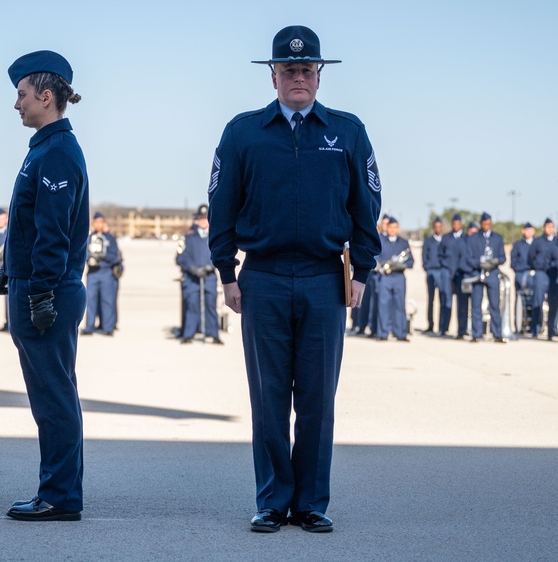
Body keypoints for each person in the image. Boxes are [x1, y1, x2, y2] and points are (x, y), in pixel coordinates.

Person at [208, 25, 381, 533]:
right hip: (261, 278)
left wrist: (363, 269)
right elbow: (221, 205)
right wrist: (226, 272)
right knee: (268, 398)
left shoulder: (347, 132)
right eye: (288, 70)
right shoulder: (242, 133)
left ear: (319, 76)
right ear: (274, 77)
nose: (298, 77)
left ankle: (310, 503)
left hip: (324, 280)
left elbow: (366, 205)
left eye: (307, 70)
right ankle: (272, 501)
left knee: (316, 400)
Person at [0, 50, 88, 522]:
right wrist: (10, 270)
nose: (17, 104)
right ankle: (60, 490)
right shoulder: (45, 149)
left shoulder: (56, 153)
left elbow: (54, 233)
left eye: (22, 94)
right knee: (52, 395)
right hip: (36, 285)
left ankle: (60, 496)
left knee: (53, 398)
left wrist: (41, 291)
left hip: (46, 292)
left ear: (45, 96)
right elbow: (32, 228)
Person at [176, 212, 220, 344]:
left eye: (205, 218)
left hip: (209, 277)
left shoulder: (216, 236)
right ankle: (189, 333)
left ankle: (213, 333)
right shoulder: (188, 238)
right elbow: (180, 257)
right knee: (192, 305)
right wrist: (191, 268)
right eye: (200, 219)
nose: (203, 221)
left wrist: (211, 266)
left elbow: (221, 254)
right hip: (192, 277)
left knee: (211, 305)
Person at [463, 212, 507, 343]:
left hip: (492, 274)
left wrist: (494, 262)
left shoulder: (497, 238)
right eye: (484, 224)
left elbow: (503, 257)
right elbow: (468, 257)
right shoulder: (473, 238)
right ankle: (476, 333)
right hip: (478, 274)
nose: (486, 226)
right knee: (476, 305)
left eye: (489, 223)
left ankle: (497, 333)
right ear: (480, 224)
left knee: (494, 304)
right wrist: (479, 263)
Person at [348, 214, 389, 336]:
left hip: (376, 274)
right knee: (360, 302)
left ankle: (371, 327)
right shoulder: (372, 236)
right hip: (366, 272)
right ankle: (359, 324)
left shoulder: (384, 239)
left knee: (371, 303)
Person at [81, 212, 121, 336]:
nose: (99, 224)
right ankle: (89, 326)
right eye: (96, 222)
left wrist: (102, 257)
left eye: (101, 222)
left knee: (107, 300)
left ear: (104, 223)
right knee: (90, 300)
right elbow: (82, 253)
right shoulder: (89, 238)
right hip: (93, 272)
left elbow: (115, 256)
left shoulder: (110, 238)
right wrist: (91, 257)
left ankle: (107, 327)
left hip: (106, 272)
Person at [375, 217, 413, 341]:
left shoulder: (403, 243)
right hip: (385, 278)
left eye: (395, 227)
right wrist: (383, 266)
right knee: (383, 305)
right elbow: (376, 258)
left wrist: (398, 266)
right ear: (387, 227)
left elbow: (411, 261)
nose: (392, 230)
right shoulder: (381, 240)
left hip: (398, 277)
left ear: (398, 228)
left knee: (400, 305)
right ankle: (383, 333)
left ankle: (401, 333)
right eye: (390, 227)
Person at [527, 218, 558, 338]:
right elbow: (530, 257)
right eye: (548, 227)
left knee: (553, 302)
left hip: (554, 274)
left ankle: (553, 329)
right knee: (537, 301)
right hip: (541, 274)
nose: (550, 229)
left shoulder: (557, 241)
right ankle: (535, 328)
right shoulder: (538, 242)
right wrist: (537, 266)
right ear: (543, 228)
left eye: (552, 227)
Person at [421, 216, 449, 334]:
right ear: (433, 227)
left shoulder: (445, 240)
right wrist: (427, 267)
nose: (438, 229)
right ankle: (431, 325)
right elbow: (424, 256)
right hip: (431, 271)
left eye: (439, 226)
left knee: (443, 299)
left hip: (442, 271)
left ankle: (442, 326)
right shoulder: (428, 240)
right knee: (431, 299)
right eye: (436, 227)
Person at [441, 213, 467, 338]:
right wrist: (446, 266)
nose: (456, 226)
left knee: (462, 304)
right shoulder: (446, 238)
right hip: (448, 273)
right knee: (446, 301)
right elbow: (440, 254)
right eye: (454, 223)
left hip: (461, 274)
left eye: (458, 223)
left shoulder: (467, 238)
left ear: (461, 224)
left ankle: (461, 331)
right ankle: (443, 328)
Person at [510, 222, 535, 333]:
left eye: (530, 230)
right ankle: (519, 327)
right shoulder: (518, 245)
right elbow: (513, 262)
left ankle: (532, 326)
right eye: (526, 230)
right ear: (523, 231)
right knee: (520, 301)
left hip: (533, 274)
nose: (528, 232)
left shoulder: (537, 244)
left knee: (533, 301)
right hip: (520, 274)